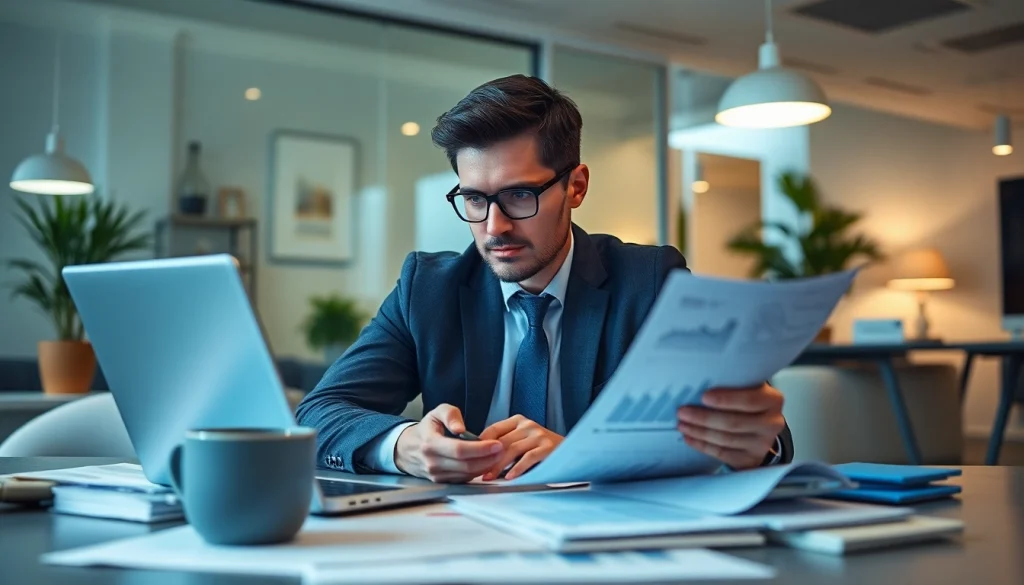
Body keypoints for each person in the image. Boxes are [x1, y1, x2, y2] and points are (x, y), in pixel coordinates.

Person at [295, 74, 793, 483]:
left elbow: (755, 436)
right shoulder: (426, 289)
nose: (494, 227)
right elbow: (319, 412)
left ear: (576, 187)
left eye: (519, 196)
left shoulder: (649, 283)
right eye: (474, 200)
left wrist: (579, 456)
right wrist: (405, 445)